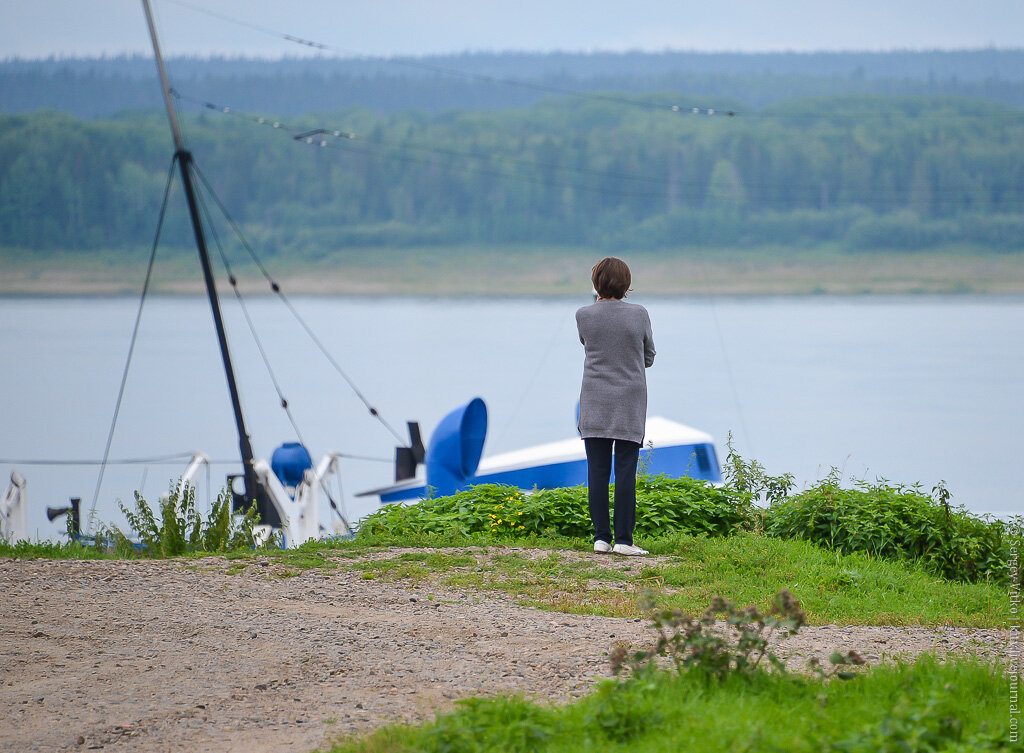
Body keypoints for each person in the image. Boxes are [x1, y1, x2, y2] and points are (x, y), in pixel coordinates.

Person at [576, 257, 655, 556]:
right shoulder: (639, 314)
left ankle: (600, 538)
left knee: (596, 470)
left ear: (596, 283)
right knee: (625, 470)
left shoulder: (584, 314)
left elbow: (587, 344)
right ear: (626, 284)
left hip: (594, 398)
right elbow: (648, 356)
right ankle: (624, 540)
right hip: (629, 400)